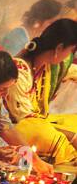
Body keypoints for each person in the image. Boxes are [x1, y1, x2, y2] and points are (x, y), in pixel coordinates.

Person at [5, 18, 77, 164]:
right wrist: (72, 137)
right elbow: (25, 120)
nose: (70, 56)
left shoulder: (48, 67)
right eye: (71, 51)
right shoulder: (19, 70)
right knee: (46, 134)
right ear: (59, 48)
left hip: (37, 121)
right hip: (15, 128)